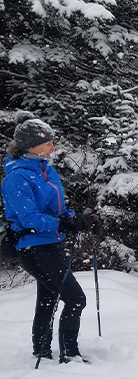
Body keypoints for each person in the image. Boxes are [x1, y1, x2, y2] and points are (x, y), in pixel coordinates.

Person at [2, 111, 103, 364]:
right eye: (48, 143)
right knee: (75, 298)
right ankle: (70, 353)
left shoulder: (47, 170)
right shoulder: (17, 177)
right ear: (32, 146)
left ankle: (42, 352)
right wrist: (65, 223)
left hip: (51, 244)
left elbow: (59, 210)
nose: (53, 147)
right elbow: (30, 219)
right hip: (34, 248)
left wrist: (82, 220)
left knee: (47, 298)